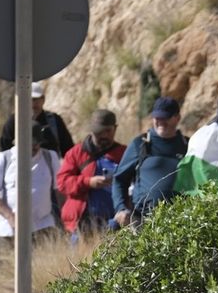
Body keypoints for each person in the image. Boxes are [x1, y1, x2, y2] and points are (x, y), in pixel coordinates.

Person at [112, 96, 189, 226]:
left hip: (181, 222)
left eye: (165, 117)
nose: (160, 122)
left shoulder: (188, 145)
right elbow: (120, 179)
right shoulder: (140, 144)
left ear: (177, 118)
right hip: (143, 221)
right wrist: (121, 209)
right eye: (157, 118)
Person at [56, 109, 126, 236]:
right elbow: (62, 182)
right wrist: (88, 182)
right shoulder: (76, 153)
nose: (104, 135)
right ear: (91, 130)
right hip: (81, 222)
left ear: (115, 129)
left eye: (108, 131)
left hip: (114, 221)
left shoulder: (123, 153)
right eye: (99, 132)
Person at [0, 126, 64, 243]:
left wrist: (63, 218)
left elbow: (59, 191)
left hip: (44, 226)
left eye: (37, 143)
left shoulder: (50, 157)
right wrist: (10, 216)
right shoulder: (4, 159)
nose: (35, 147)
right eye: (31, 143)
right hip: (11, 230)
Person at [0, 82, 74, 155]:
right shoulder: (13, 122)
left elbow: (68, 150)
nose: (33, 103)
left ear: (43, 99)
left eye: (36, 99)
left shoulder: (54, 120)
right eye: (29, 99)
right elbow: (4, 149)